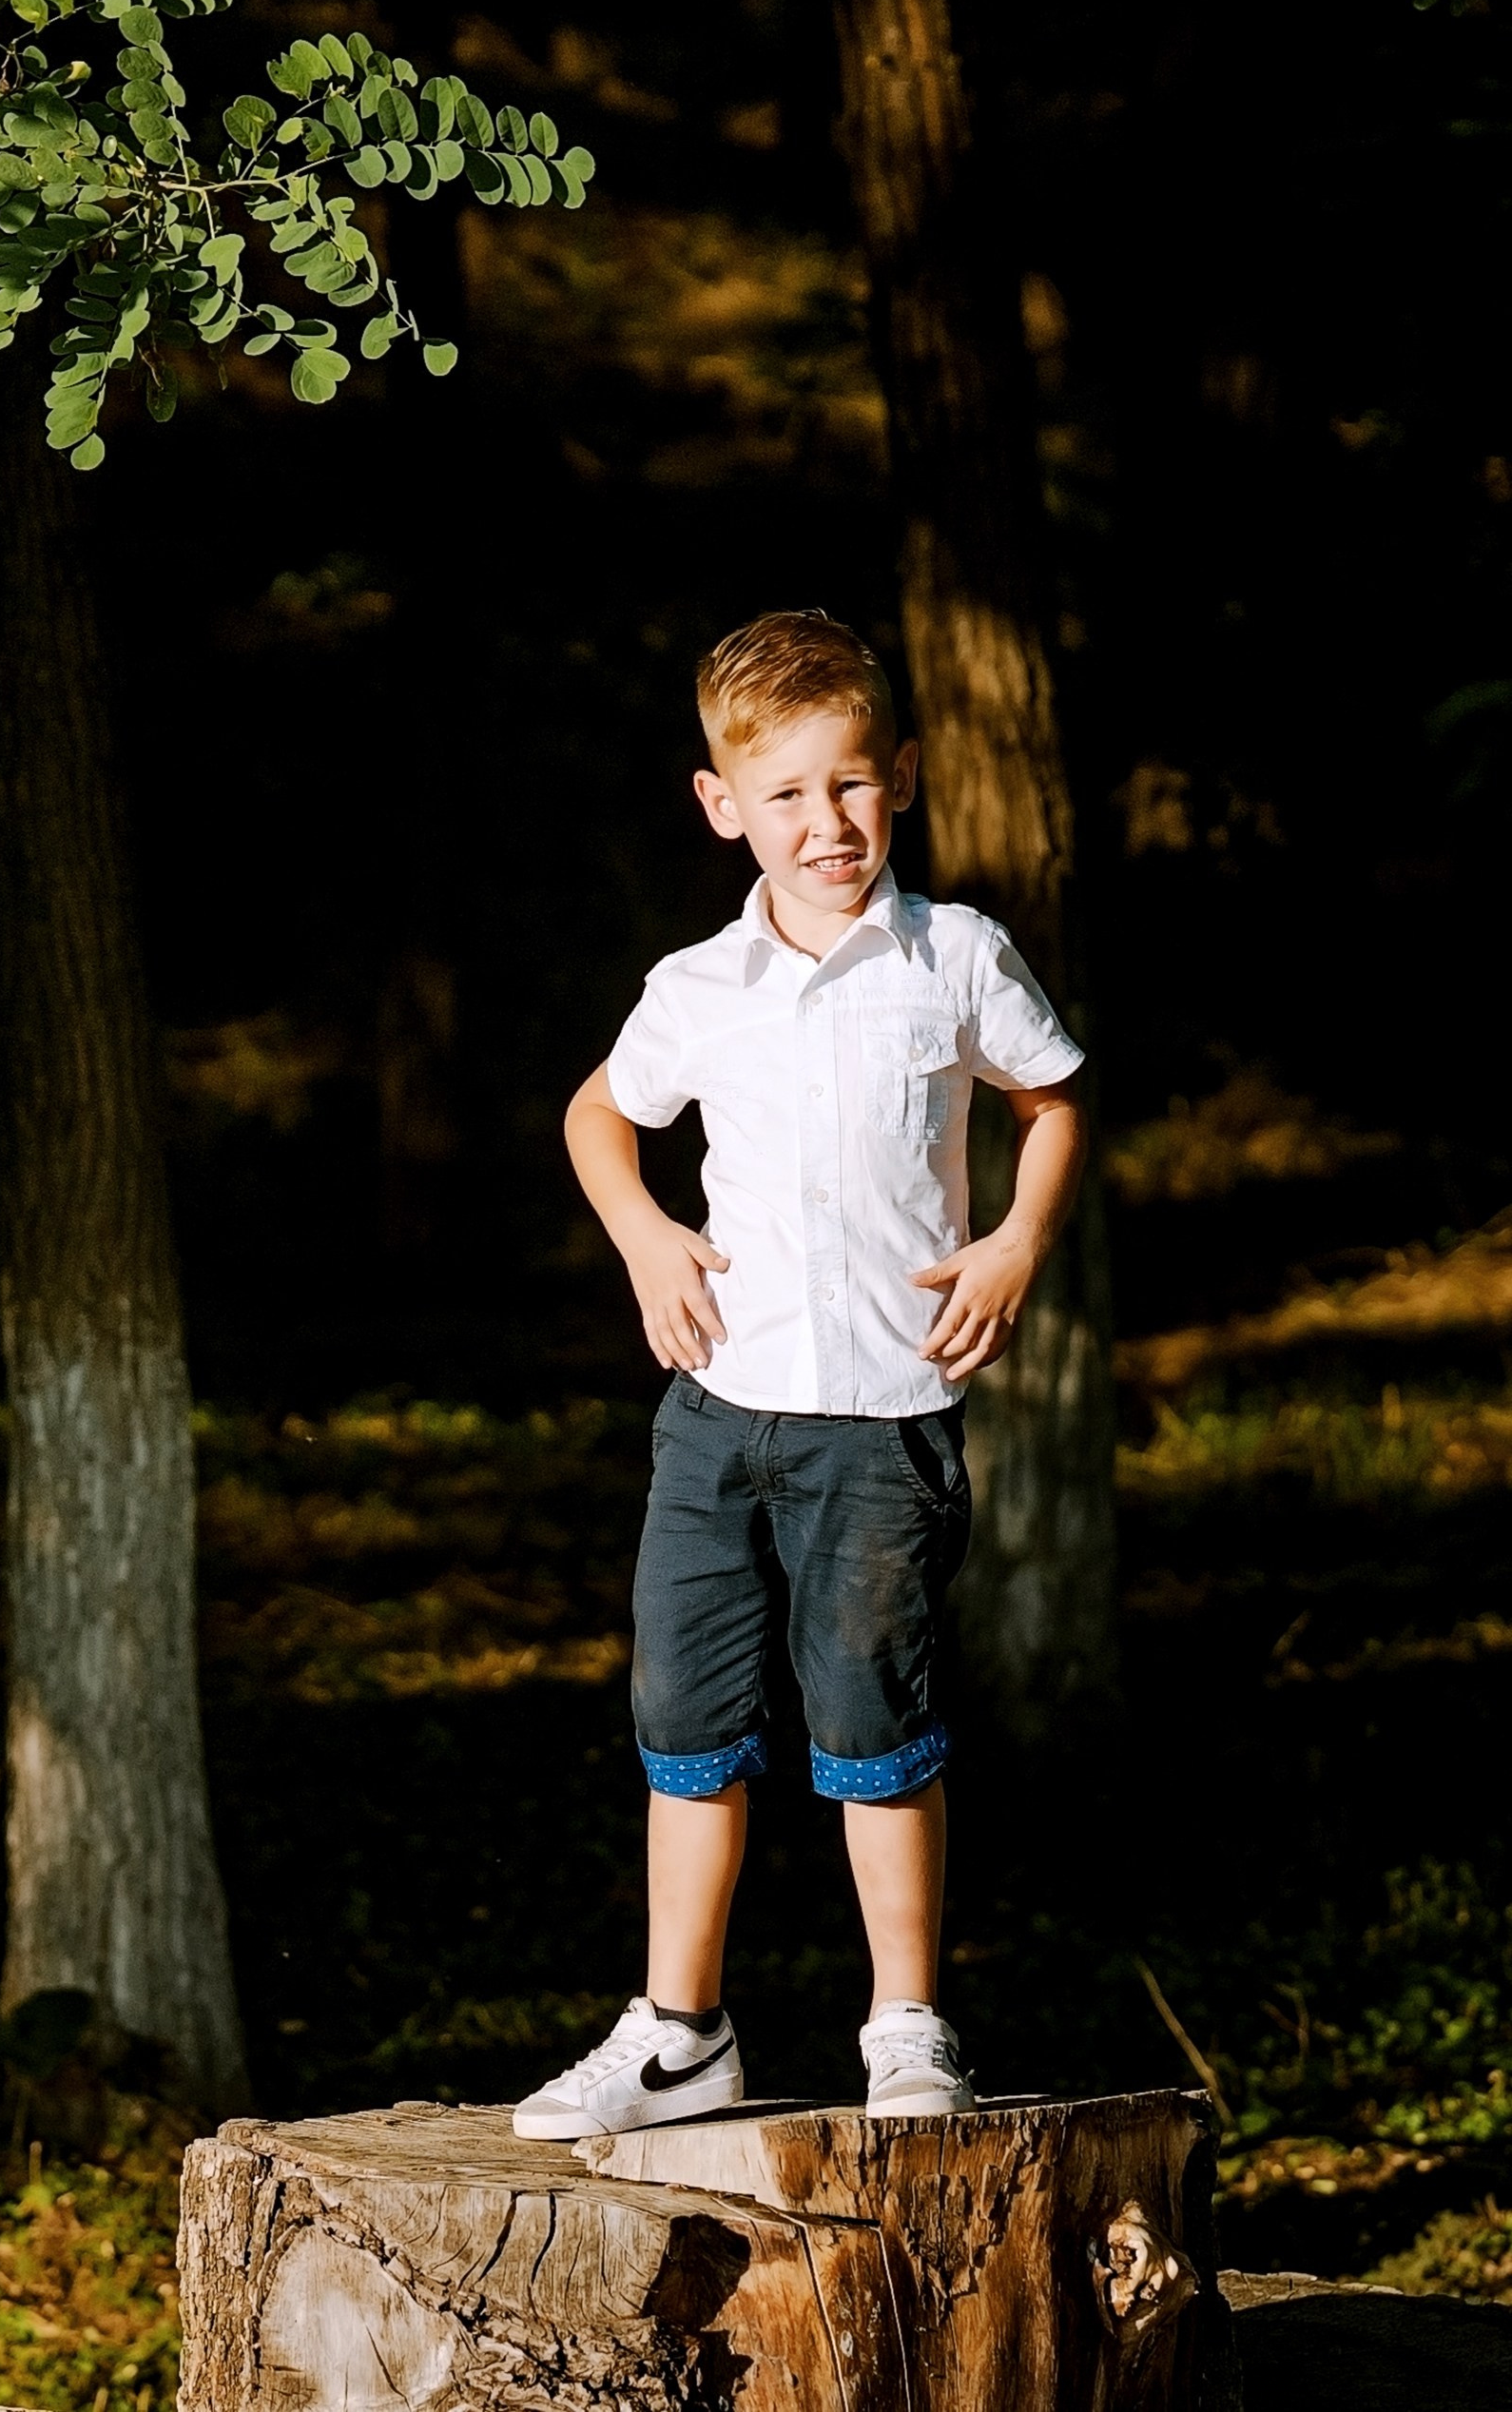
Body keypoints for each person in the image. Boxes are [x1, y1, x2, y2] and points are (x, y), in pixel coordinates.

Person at [512, 609, 1087, 2139]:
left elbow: (1052, 1102)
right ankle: (681, 2030)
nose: (823, 823)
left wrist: (1016, 1240)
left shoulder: (952, 955)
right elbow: (598, 1115)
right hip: (717, 1413)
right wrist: (644, 1235)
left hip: (883, 1425)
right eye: (785, 795)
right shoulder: (700, 986)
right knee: (688, 1724)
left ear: (899, 775)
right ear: (723, 804)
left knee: (870, 1726)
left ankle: (907, 2022)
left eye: (851, 785)